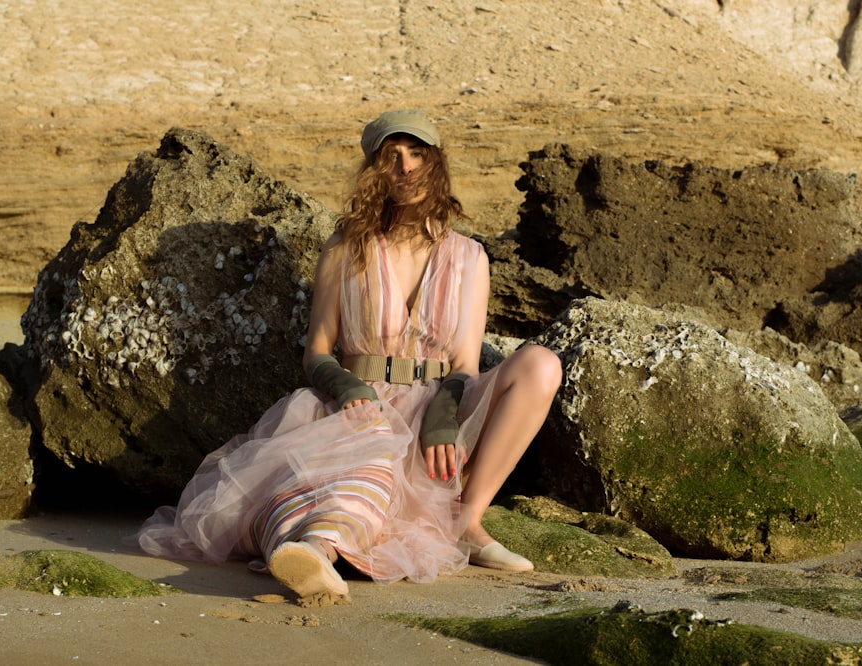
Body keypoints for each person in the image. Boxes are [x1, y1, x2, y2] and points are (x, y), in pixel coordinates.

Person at [133, 109, 562, 598]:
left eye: (416, 153)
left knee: (541, 364)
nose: (405, 167)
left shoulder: (469, 257)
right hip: (362, 402)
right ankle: (317, 551)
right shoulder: (344, 248)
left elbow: (465, 362)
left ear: (435, 162)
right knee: (369, 459)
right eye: (391, 157)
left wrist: (444, 412)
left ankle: (468, 520)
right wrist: (345, 387)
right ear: (376, 172)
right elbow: (317, 349)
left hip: (443, 412)